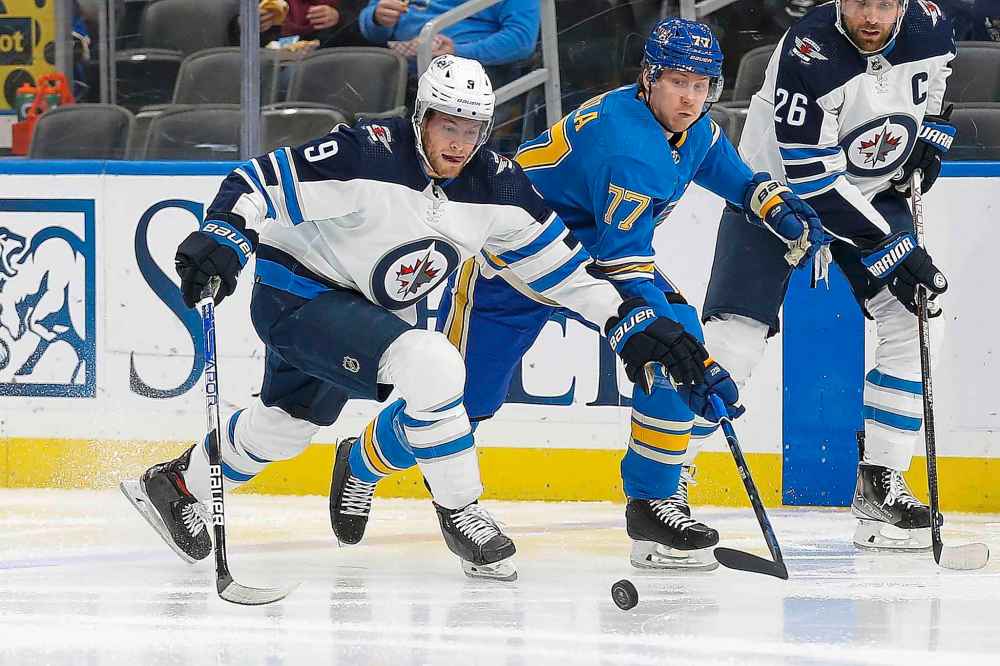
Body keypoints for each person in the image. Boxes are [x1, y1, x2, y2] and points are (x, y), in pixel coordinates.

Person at [120, 54, 710, 582]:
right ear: (422, 115)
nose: (459, 143)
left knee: (283, 429)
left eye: (473, 129)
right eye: (448, 125)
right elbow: (257, 181)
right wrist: (225, 234)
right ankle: (461, 510)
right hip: (295, 296)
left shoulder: (498, 185)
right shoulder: (366, 151)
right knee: (432, 364)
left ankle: (173, 485)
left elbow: (565, 272)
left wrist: (630, 322)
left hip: (358, 311)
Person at [329, 19, 826, 571]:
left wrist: (774, 205)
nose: (690, 98)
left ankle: (654, 504)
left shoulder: (691, 127)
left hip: (590, 256)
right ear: (649, 78)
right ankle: (362, 460)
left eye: (701, 84)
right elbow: (625, 269)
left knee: (675, 341)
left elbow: (729, 172)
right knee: (462, 403)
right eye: (678, 82)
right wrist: (685, 353)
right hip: (515, 260)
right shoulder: (627, 149)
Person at [700, 0, 956, 551]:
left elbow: (935, 88)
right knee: (732, 344)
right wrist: (892, 246)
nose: (871, 17)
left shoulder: (932, 25)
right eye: (859, 2)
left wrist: (929, 137)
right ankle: (663, 488)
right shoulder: (809, 50)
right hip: (774, 198)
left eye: (884, 4)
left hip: (869, 194)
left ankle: (880, 484)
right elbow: (813, 182)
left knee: (917, 319)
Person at [359, 0, 539, 69]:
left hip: (466, 71)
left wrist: (457, 52)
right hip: (396, 65)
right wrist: (377, 18)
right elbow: (371, 31)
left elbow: (521, 39)